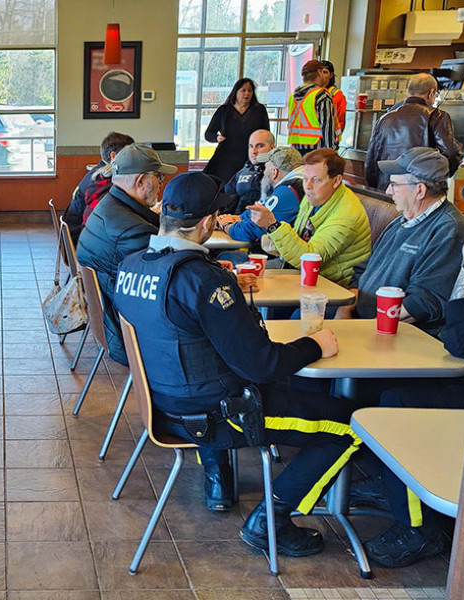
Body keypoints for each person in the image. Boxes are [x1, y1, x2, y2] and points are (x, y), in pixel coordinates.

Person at [111, 171, 360, 557]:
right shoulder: (203, 282)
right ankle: (271, 520)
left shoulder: (130, 266)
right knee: (350, 425)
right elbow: (263, 365)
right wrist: (313, 344)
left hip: (166, 405)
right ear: (210, 222)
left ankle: (232, 484)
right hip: (221, 414)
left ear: (162, 214)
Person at [359, 170, 464, 568]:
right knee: (377, 391)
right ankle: (387, 485)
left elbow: (462, 341)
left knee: (395, 400)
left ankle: (421, 530)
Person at [337, 148, 464, 336]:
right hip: (363, 320)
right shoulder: (401, 221)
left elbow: (423, 303)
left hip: (399, 334)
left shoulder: (449, 230)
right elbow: (362, 272)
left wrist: (360, 332)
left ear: (419, 190)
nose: (387, 190)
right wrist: (344, 310)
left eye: (394, 184)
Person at [76, 144, 176, 367]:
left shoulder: (110, 206)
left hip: (110, 322)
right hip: (128, 338)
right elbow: (173, 282)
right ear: (140, 181)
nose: (162, 183)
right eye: (158, 176)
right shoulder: (131, 230)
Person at [246, 149, 371, 286]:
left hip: (333, 287)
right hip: (304, 274)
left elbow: (308, 259)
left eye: (316, 180)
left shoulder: (347, 215)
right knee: (245, 276)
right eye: (305, 178)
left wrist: (272, 225)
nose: (308, 186)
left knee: (251, 280)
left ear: (337, 181)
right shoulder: (315, 196)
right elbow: (299, 235)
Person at [364, 74, 463, 190]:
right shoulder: (437, 116)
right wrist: (441, 177)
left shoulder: (386, 117)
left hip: (387, 186)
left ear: (408, 91)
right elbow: (451, 152)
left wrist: (376, 187)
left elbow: (371, 160)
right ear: (431, 93)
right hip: (417, 188)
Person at [217, 146, 303, 246]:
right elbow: (255, 213)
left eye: (266, 167)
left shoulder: (288, 191)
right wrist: (231, 218)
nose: (264, 172)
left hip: (290, 259)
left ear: (274, 172)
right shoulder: (298, 182)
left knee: (226, 256)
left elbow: (250, 230)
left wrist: (226, 225)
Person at [63, 131, 136, 245]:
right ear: (113, 156)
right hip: (80, 241)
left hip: (75, 235)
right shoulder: (103, 181)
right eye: (130, 155)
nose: (133, 160)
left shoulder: (95, 173)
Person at [203, 78, 271, 186]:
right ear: (236, 92)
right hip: (226, 157)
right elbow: (208, 134)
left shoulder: (259, 110)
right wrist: (217, 138)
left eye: (250, 91)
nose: (246, 94)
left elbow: (266, 134)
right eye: (243, 90)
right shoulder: (224, 110)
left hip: (250, 156)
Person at [287, 60, 337, 155]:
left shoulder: (293, 96)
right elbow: (327, 127)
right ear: (319, 72)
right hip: (316, 150)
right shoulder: (321, 95)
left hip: (296, 149)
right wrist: (331, 151)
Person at [222, 129, 276, 216]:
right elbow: (227, 200)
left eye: (260, 146)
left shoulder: (277, 174)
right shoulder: (243, 171)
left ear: (272, 148)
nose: (253, 151)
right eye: (251, 146)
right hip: (236, 224)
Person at [323, 61, 347, 146]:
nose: (322, 75)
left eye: (325, 72)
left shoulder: (337, 95)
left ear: (331, 75)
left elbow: (340, 121)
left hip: (329, 142)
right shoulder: (313, 94)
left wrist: (335, 140)